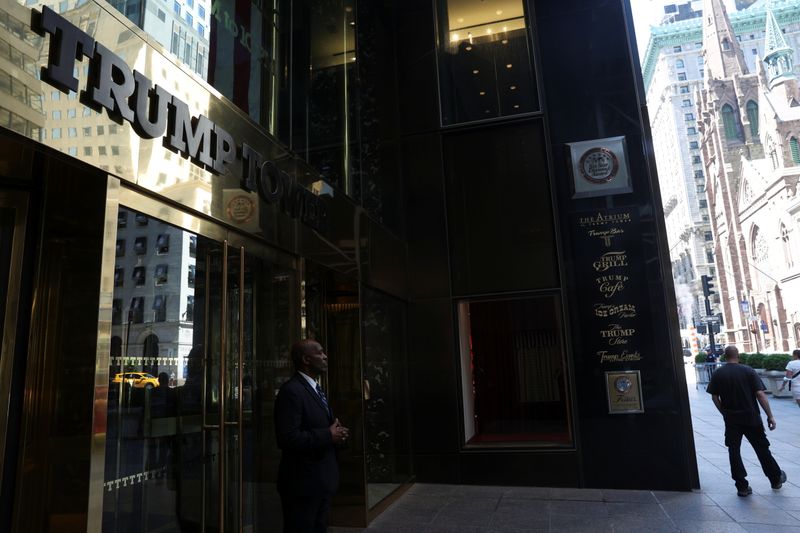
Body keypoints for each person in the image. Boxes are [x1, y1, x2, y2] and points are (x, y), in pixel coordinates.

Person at [274, 339, 349, 532]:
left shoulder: (315, 388)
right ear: (306, 359)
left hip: (320, 481)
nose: (325, 357)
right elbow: (287, 438)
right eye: (320, 353)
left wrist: (337, 433)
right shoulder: (291, 391)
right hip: (302, 486)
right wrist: (327, 435)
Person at [707, 345, 786, 496]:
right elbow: (760, 395)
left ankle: (742, 485)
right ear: (738, 356)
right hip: (751, 418)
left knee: (734, 451)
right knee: (762, 449)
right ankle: (775, 479)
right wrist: (770, 415)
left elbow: (714, 397)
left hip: (731, 419)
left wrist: (723, 412)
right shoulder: (748, 370)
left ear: (725, 356)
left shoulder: (718, 373)